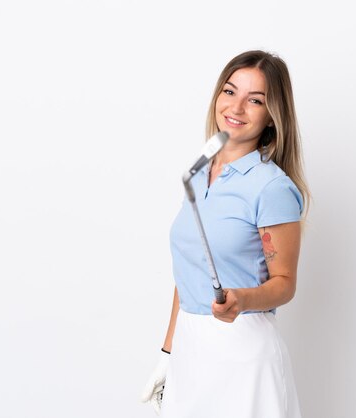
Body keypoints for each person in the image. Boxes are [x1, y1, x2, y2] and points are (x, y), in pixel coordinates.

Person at [140, 50, 310, 418]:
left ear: (271, 117)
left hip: (244, 355)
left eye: (256, 100)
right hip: (190, 350)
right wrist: (167, 354)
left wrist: (242, 299)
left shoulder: (271, 188)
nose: (237, 107)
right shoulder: (200, 172)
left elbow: (285, 282)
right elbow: (186, 273)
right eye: (230, 92)